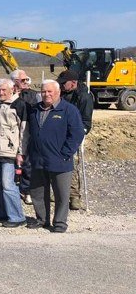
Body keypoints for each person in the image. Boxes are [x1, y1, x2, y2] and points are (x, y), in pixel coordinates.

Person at [24, 80, 85, 233]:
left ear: (58, 92)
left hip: (60, 160)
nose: (46, 94)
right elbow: (29, 134)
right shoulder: (34, 110)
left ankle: (59, 223)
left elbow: (76, 134)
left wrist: (65, 154)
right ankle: (42, 219)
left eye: (50, 91)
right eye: (44, 91)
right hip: (38, 159)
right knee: (38, 191)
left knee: (61, 194)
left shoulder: (68, 110)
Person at [0, 78, 28, 228]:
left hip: (10, 153)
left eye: (4, 90)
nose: (0, 92)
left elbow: (23, 132)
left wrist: (21, 153)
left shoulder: (19, 105)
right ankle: (0, 213)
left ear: (13, 89)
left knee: (8, 185)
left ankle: (17, 217)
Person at [57, 69, 94, 211]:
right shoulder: (60, 94)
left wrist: (78, 135)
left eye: (63, 83)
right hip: (58, 133)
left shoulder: (84, 97)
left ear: (73, 83)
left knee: (71, 164)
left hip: (73, 135)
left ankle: (74, 196)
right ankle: (59, 192)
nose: (61, 86)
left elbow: (86, 121)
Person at [10, 69, 38, 205]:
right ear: (14, 82)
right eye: (23, 80)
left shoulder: (32, 95)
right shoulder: (7, 94)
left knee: (26, 162)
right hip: (10, 133)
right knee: (12, 163)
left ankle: (27, 191)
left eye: (27, 79)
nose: (26, 82)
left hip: (26, 131)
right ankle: (13, 188)